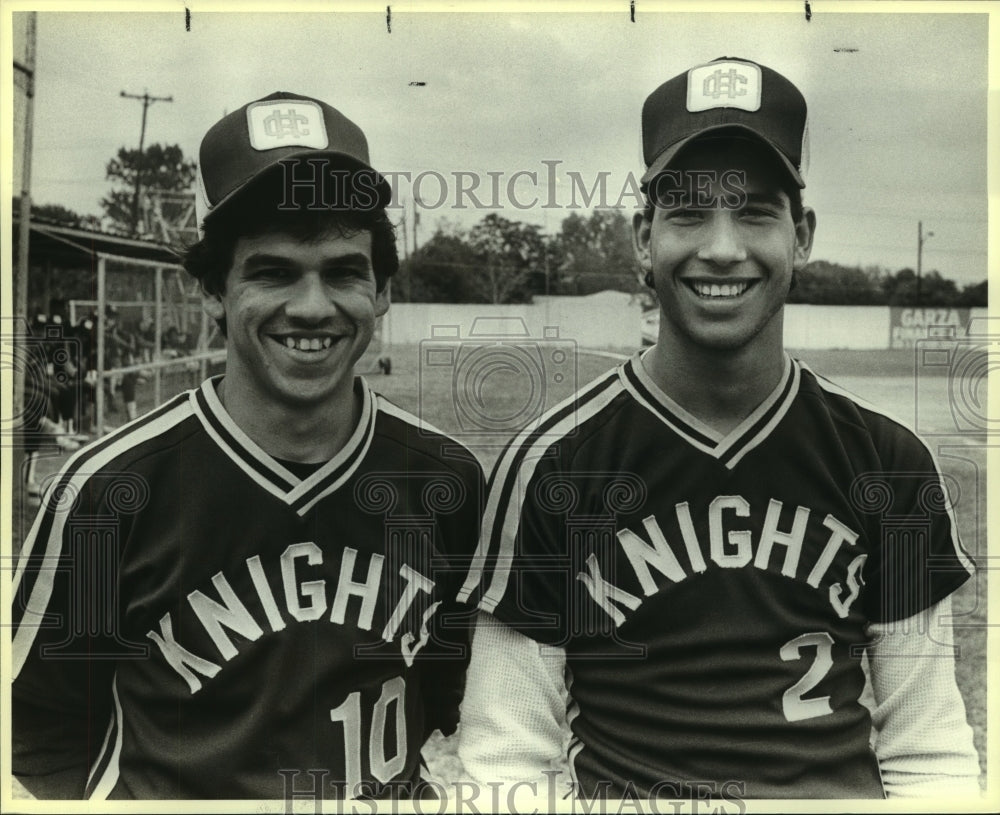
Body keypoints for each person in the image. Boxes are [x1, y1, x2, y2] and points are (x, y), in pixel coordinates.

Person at [457, 57, 980, 800]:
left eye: (756, 211)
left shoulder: (888, 461)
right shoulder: (554, 465)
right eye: (689, 212)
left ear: (802, 235)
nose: (723, 247)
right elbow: (504, 762)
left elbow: (928, 754)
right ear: (644, 238)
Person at [12, 91, 484, 801]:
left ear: (382, 288)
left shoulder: (446, 478)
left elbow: (456, 695)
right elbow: (33, 734)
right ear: (210, 289)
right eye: (272, 271)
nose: (312, 306)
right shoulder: (109, 491)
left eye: (343, 271)